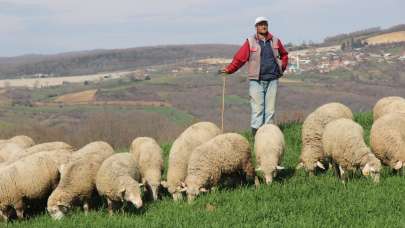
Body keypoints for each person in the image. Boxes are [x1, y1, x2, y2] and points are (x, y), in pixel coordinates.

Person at [220, 16, 289, 136]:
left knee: (270, 110)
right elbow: (239, 59)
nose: (263, 26)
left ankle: (268, 135)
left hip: (272, 79)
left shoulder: (275, 41)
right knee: (258, 110)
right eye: (261, 24)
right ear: (256, 27)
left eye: (265, 24)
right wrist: (229, 70)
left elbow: (284, 54)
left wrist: (281, 67)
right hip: (256, 80)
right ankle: (256, 136)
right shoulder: (250, 41)